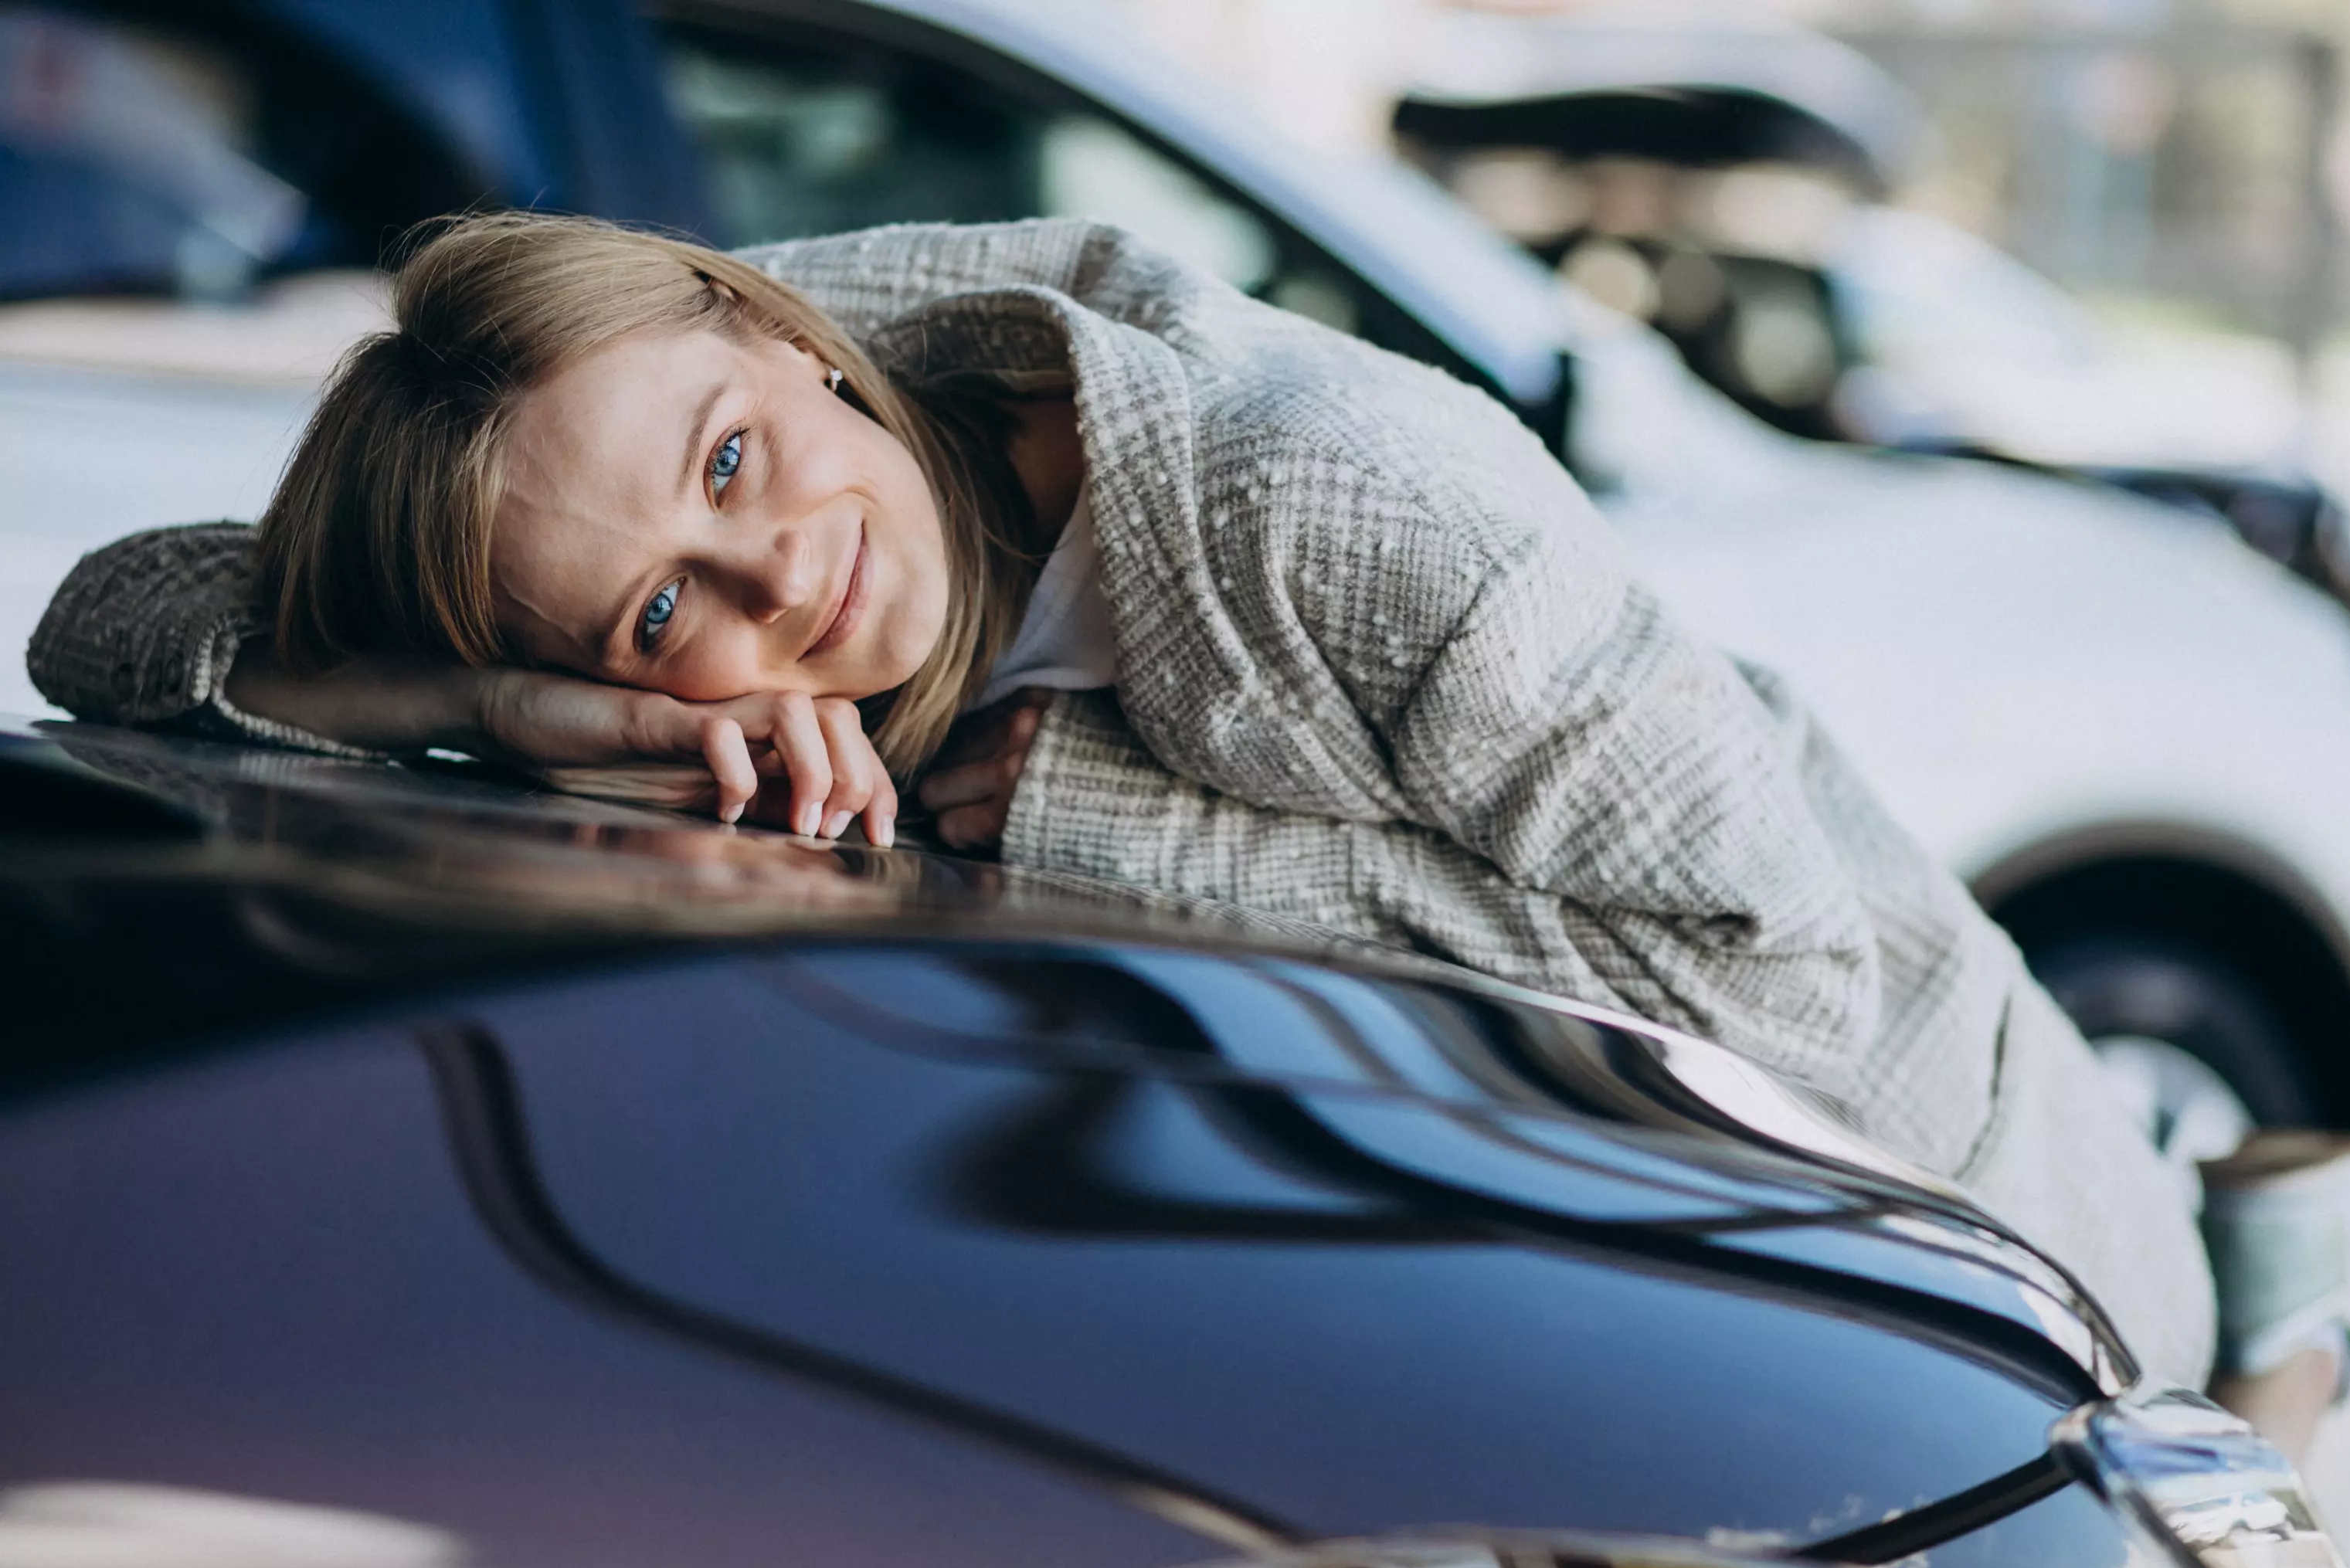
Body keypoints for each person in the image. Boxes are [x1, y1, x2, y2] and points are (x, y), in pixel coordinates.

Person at [31, 211, 2219, 1390]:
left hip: (1959, 1218)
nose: (777, 568)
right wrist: (515, 701)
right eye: (659, 613)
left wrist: (1126, 836)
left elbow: (1793, 993)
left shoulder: (1327, 503)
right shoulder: (671, 513)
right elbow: (103, 628)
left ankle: (2268, 1277)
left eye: (730, 467)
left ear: (768, 326)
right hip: (1472, 1243)